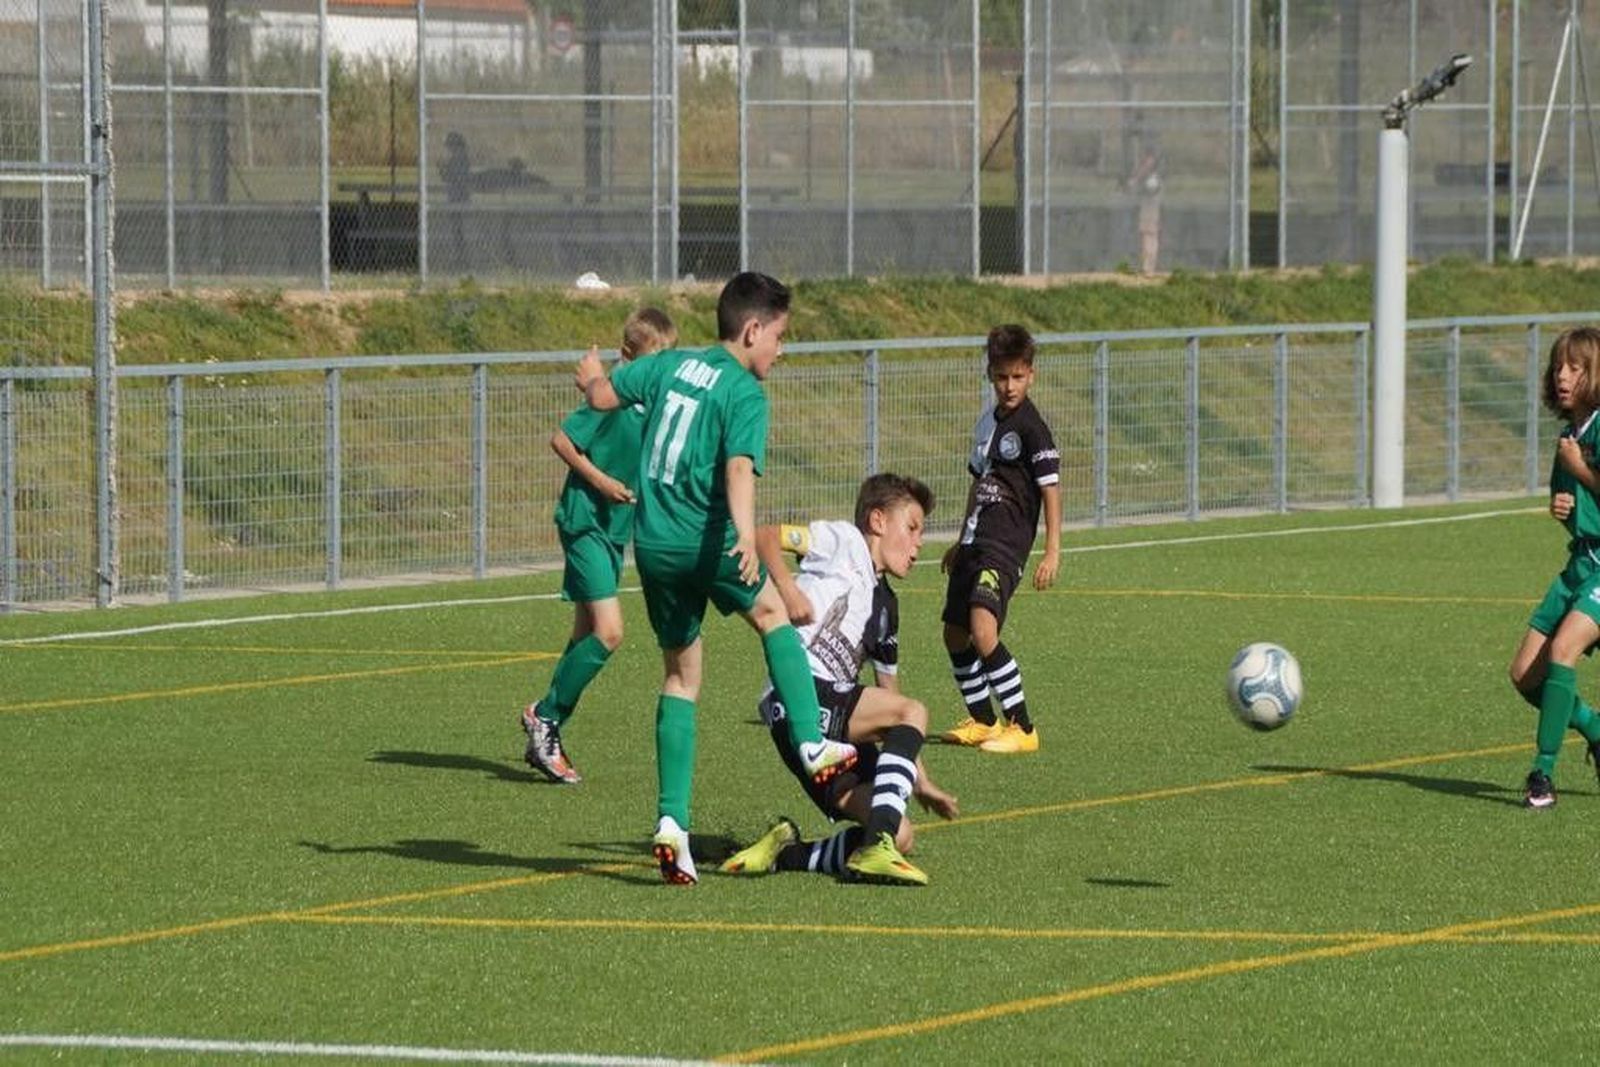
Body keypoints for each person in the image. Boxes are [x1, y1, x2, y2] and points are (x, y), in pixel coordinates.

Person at [574, 271, 858, 885]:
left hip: (649, 547)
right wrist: (743, 535)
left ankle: (671, 825)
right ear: (752, 329)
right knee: (773, 615)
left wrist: (593, 374)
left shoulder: (668, 364)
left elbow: (600, 399)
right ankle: (812, 741)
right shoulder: (744, 393)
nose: (782, 350)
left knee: (681, 676)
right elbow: (737, 468)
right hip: (702, 540)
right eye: (780, 337)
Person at [719, 473, 959, 886]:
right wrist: (788, 588)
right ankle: (877, 846)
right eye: (913, 527)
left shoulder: (886, 609)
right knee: (914, 711)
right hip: (800, 695)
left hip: (826, 727)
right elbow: (764, 537)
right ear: (878, 521)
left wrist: (923, 782)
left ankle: (783, 852)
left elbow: (892, 705)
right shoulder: (843, 540)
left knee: (902, 834)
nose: (919, 543)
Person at [520, 308, 678, 784]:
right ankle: (546, 718)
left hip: (613, 529)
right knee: (610, 632)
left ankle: (542, 720)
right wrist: (603, 481)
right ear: (628, 356)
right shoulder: (611, 397)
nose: (660, 369)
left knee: (586, 631)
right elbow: (562, 440)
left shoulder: (648, 404)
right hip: (586, 521)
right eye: (654, 358)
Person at [937, 324, 1062, 754]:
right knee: (954, 633)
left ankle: (1022, 726)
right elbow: (979, 481)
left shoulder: (1032, 429)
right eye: (1001, 376)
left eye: (1018, 377)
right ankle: (983, 719)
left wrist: (1052, 550)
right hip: (975, 541)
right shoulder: (986, 423)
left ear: (1032, 375)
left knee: (982, 627)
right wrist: (959, 539)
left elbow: (1050, 488)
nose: (1009, 386)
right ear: (990, 374)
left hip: (1006, 544)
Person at [1507, 326, 1600, 808]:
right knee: (1524, 674)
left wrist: (1582, 470)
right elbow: (1569, 501)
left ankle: (1542, 774)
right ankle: (1596, 729)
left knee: (1562, 652)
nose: (1563, 376)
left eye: (1576, 367)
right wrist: (1561, 507)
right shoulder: (1570, 435)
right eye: (1558, 367)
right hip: (1580, 565)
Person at [1124, 140, 1162, 275]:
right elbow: (1138, 181)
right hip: (1146, 207)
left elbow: (1149, 188)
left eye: (1149, 159)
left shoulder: (1154, 177)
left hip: (1151, 209)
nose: (1146, 162)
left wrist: (1135, 182)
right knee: (1146, 235)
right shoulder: (1147, 174)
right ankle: (1146, 266)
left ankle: (1149, 267)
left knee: (1150, 234)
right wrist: (1134, 181)